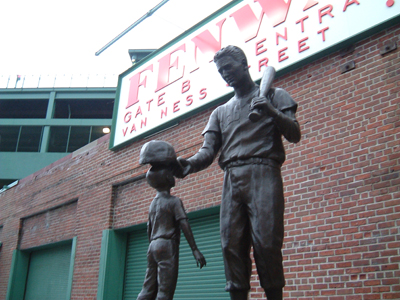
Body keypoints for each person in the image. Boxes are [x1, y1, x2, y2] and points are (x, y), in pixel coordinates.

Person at [176, 45, 301, 300]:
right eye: (221, 71)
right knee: (231, 246)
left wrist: (270, 111)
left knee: (266, 244)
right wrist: (188, 164)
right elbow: (207, 151)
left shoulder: (275, 95)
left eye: (229, 68)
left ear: (244, 64)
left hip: (263, 172)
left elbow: (294, 134)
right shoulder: (220, 112)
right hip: (232, 178)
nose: (225, 74)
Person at [137, 141, 206, 300]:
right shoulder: (174, 201)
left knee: (147, 289)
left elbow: (149, 228)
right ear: (168, 177)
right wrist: (194, 249)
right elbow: (184, 223)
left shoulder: (153, 204)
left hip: (153, 246)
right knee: (165, 291)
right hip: (167, 245)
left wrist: (152, 247)